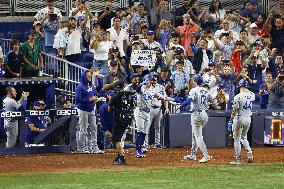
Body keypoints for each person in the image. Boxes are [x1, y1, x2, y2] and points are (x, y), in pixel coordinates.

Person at [183, 74, 214, 163]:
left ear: (195, 81)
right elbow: (212, 101)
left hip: (196, 114)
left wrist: (182, 105)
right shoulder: (206, 90)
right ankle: (193, 155)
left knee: (198, 136)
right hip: (204, 114)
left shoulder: (194, 90)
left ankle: (206, 156)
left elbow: (188, 101)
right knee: (195, 134)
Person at [75, 70, 104, 153]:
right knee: (83, 129)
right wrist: (89, 99)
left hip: (91, 109)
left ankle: (95, 148)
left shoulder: (91, 85)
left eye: (90, 76)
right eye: (88, 76)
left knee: (94, 129)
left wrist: (98, 77)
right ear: (84, 77)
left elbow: (100, 87)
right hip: (83, 110)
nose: (90, 77)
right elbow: (77, 99)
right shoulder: (80, 86)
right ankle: (82, 148)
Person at [108, 81, 135, 165]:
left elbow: (109, 109)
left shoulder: (115, 97)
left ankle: (122, 157)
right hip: (128, 119)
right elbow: (134, 105)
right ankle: (119, 156)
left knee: (116, 138)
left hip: (119, 119)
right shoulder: (129, 94)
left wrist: (110, 101)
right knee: (121, 137)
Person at [230, 79, 255, 165]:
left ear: (239, 85)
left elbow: (235, 111)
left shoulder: (238, 96)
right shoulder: (252, 95)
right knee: (244, 137)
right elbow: (249, 92)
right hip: (248, 118)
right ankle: (249, 154)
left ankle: (238, 160)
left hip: (239, 118)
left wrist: (231, 119)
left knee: (237, 139)